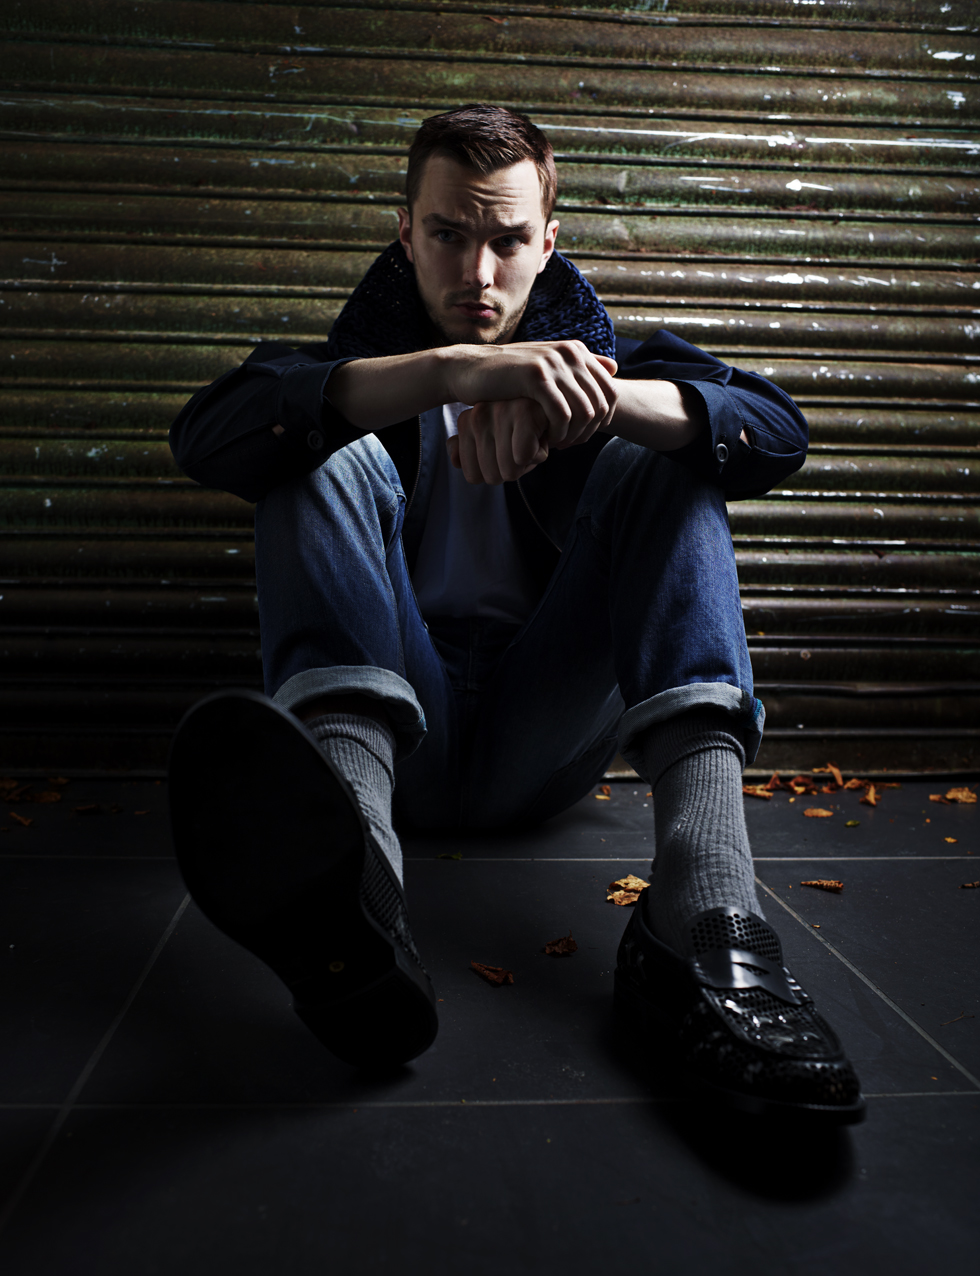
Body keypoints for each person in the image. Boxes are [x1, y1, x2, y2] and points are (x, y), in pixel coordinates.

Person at [168, 104, 864, 1123]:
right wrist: (454, 372)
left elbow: (775, 432)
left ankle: (708, 908)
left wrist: (592, 398)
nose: (478, 273)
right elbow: (207, 436)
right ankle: (358, 888)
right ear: (405, 235)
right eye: (448, 234)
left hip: (541, 736)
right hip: (391, 740)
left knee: (669, 456)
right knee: (313, 444)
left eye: (506, 239)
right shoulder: (343, 371)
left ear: (548, 240)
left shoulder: (606, 359)